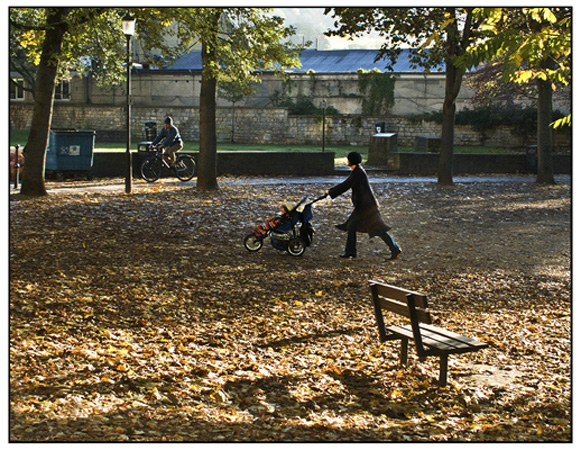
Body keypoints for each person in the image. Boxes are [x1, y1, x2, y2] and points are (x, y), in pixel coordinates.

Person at [324, 151, 402, 260]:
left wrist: (330, 192)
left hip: (367, 207)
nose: (347, 161)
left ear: (351, 161)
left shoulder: (358, 173)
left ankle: (395, 248)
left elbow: (345, 185)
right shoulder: (357, 171)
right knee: (351, 226)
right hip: (363, 207)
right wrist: (331, 192)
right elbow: (346, 184)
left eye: (348, 160)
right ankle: (350, 252)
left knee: (379, 229)